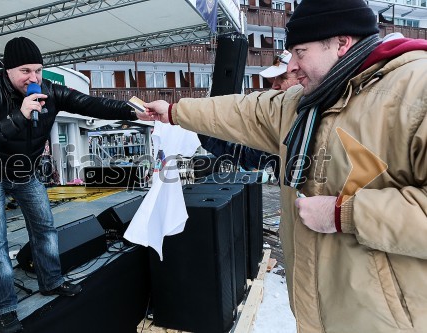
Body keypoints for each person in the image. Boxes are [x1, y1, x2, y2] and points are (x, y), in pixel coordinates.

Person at [144, 0, 427, 332]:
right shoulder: (307, 103)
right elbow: (242, 111)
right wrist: (175, 112)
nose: (292, 65)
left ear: (341, 43)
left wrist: (343, 213)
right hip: (319, 315)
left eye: (300, 52)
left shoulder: (415, 92)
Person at [0, 36, 151, 333]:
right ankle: (3, 308)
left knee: (44, 227)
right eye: (26, 71)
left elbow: (89, 103)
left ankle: (51, 281)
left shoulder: (48, 90)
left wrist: (131, 111)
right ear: (7, 69)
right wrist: (19, 115)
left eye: (38, 69)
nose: (34, 77)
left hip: (25, 170)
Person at [198, 50, 298, 183]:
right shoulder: (278, 119)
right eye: (274, 79)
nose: (274, 85)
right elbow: (249, 156)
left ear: (304, 76)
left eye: (283, 78)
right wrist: (204, 130)